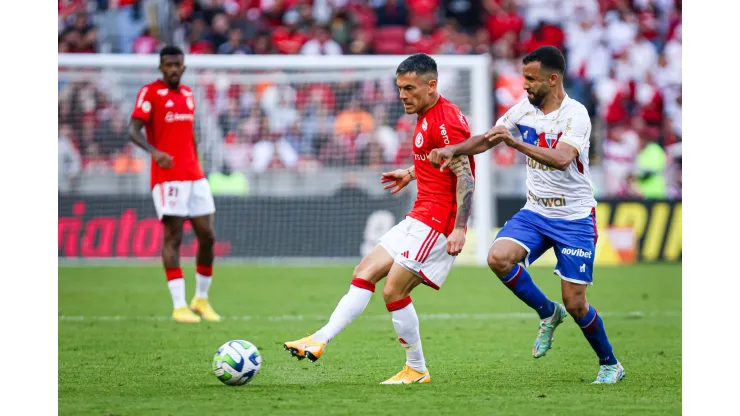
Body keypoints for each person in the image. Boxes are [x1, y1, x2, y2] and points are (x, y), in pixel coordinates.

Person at [429, 46, 624, 384]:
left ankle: (610, 364)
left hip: (575, 218)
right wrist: (452, 149)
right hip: (535, 211)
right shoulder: (524, 110)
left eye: (532, 80)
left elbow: (563, 158)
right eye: (524, 79)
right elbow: (490, 138)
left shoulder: (575, 114)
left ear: (553, 79)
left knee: (577, 304)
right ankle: (548, 313)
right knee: (498, 258)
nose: (526, 86)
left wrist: (515, 144)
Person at [284, 53, 476, 384]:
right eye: (400, 87)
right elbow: (439, 162)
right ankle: (318, 340)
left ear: (431, 86)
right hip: (419, 214)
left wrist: (460, 227)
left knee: (393, 290)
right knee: (364, 271)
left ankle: (416, 367)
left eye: (409, 88)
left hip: (438, 221)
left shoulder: (446, 122)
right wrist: (412, 172)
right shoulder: (427, 114)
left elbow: (466, 177)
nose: (402, 95)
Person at [128, 45, 221, 324]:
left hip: (194, 175)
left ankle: (201, 300)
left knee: (207, 236)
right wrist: (154, 152)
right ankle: (179, 305)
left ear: (184, 67)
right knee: (174, 237)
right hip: (167, 177)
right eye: (167, 64)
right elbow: (132, 130)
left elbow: (187, 134)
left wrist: (197, 162)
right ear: (160, 67)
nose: (172, 69)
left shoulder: (189, 95)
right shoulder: (150, 92)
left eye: (176, 64)